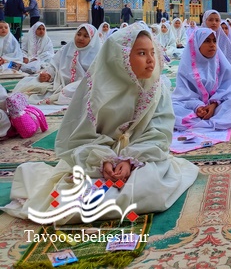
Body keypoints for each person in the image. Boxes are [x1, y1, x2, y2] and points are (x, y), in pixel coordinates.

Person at [2, 24, 199, 222]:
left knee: (151, 188)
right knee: (78, 198)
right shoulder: (95, 91)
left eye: (152, 53)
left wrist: (129, 159)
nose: (150, 60)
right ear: (121, 57)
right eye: (141, 53)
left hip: (142, 154)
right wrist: (104, 160)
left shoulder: (157, 88)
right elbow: (78, 138)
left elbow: (159, 132)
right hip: (96, 159)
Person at [172, 28, 231, 132]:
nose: (212, 45)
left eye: (214, 41)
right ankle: (213, 120)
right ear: (196, 44)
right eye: (207, 41)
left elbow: (226, 90)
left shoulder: (220, 63)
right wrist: (198, 107)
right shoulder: (186, 67)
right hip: (192, 106)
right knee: (172, 107)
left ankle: (202, 122)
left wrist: (214, 104)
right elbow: (184, 95)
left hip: (217, 105)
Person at [13, 24, 100, 105]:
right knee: (27, 83)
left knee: (70, 91)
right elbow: (54, 65)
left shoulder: (97, 54)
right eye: (79, 34)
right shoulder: (67, 48)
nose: (80, 38)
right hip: (60, 82)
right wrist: (49, 75)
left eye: (86, 36)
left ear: (92, 39)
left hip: (83, 84)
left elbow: (97, 76)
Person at [201, 10, 231, 96]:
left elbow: (230, 61)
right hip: (202, 76)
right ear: (204, 20)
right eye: (210, 20)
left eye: (217, 20)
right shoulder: (198, 37)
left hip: (221, 76)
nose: (214, 23)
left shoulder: (224, 39)